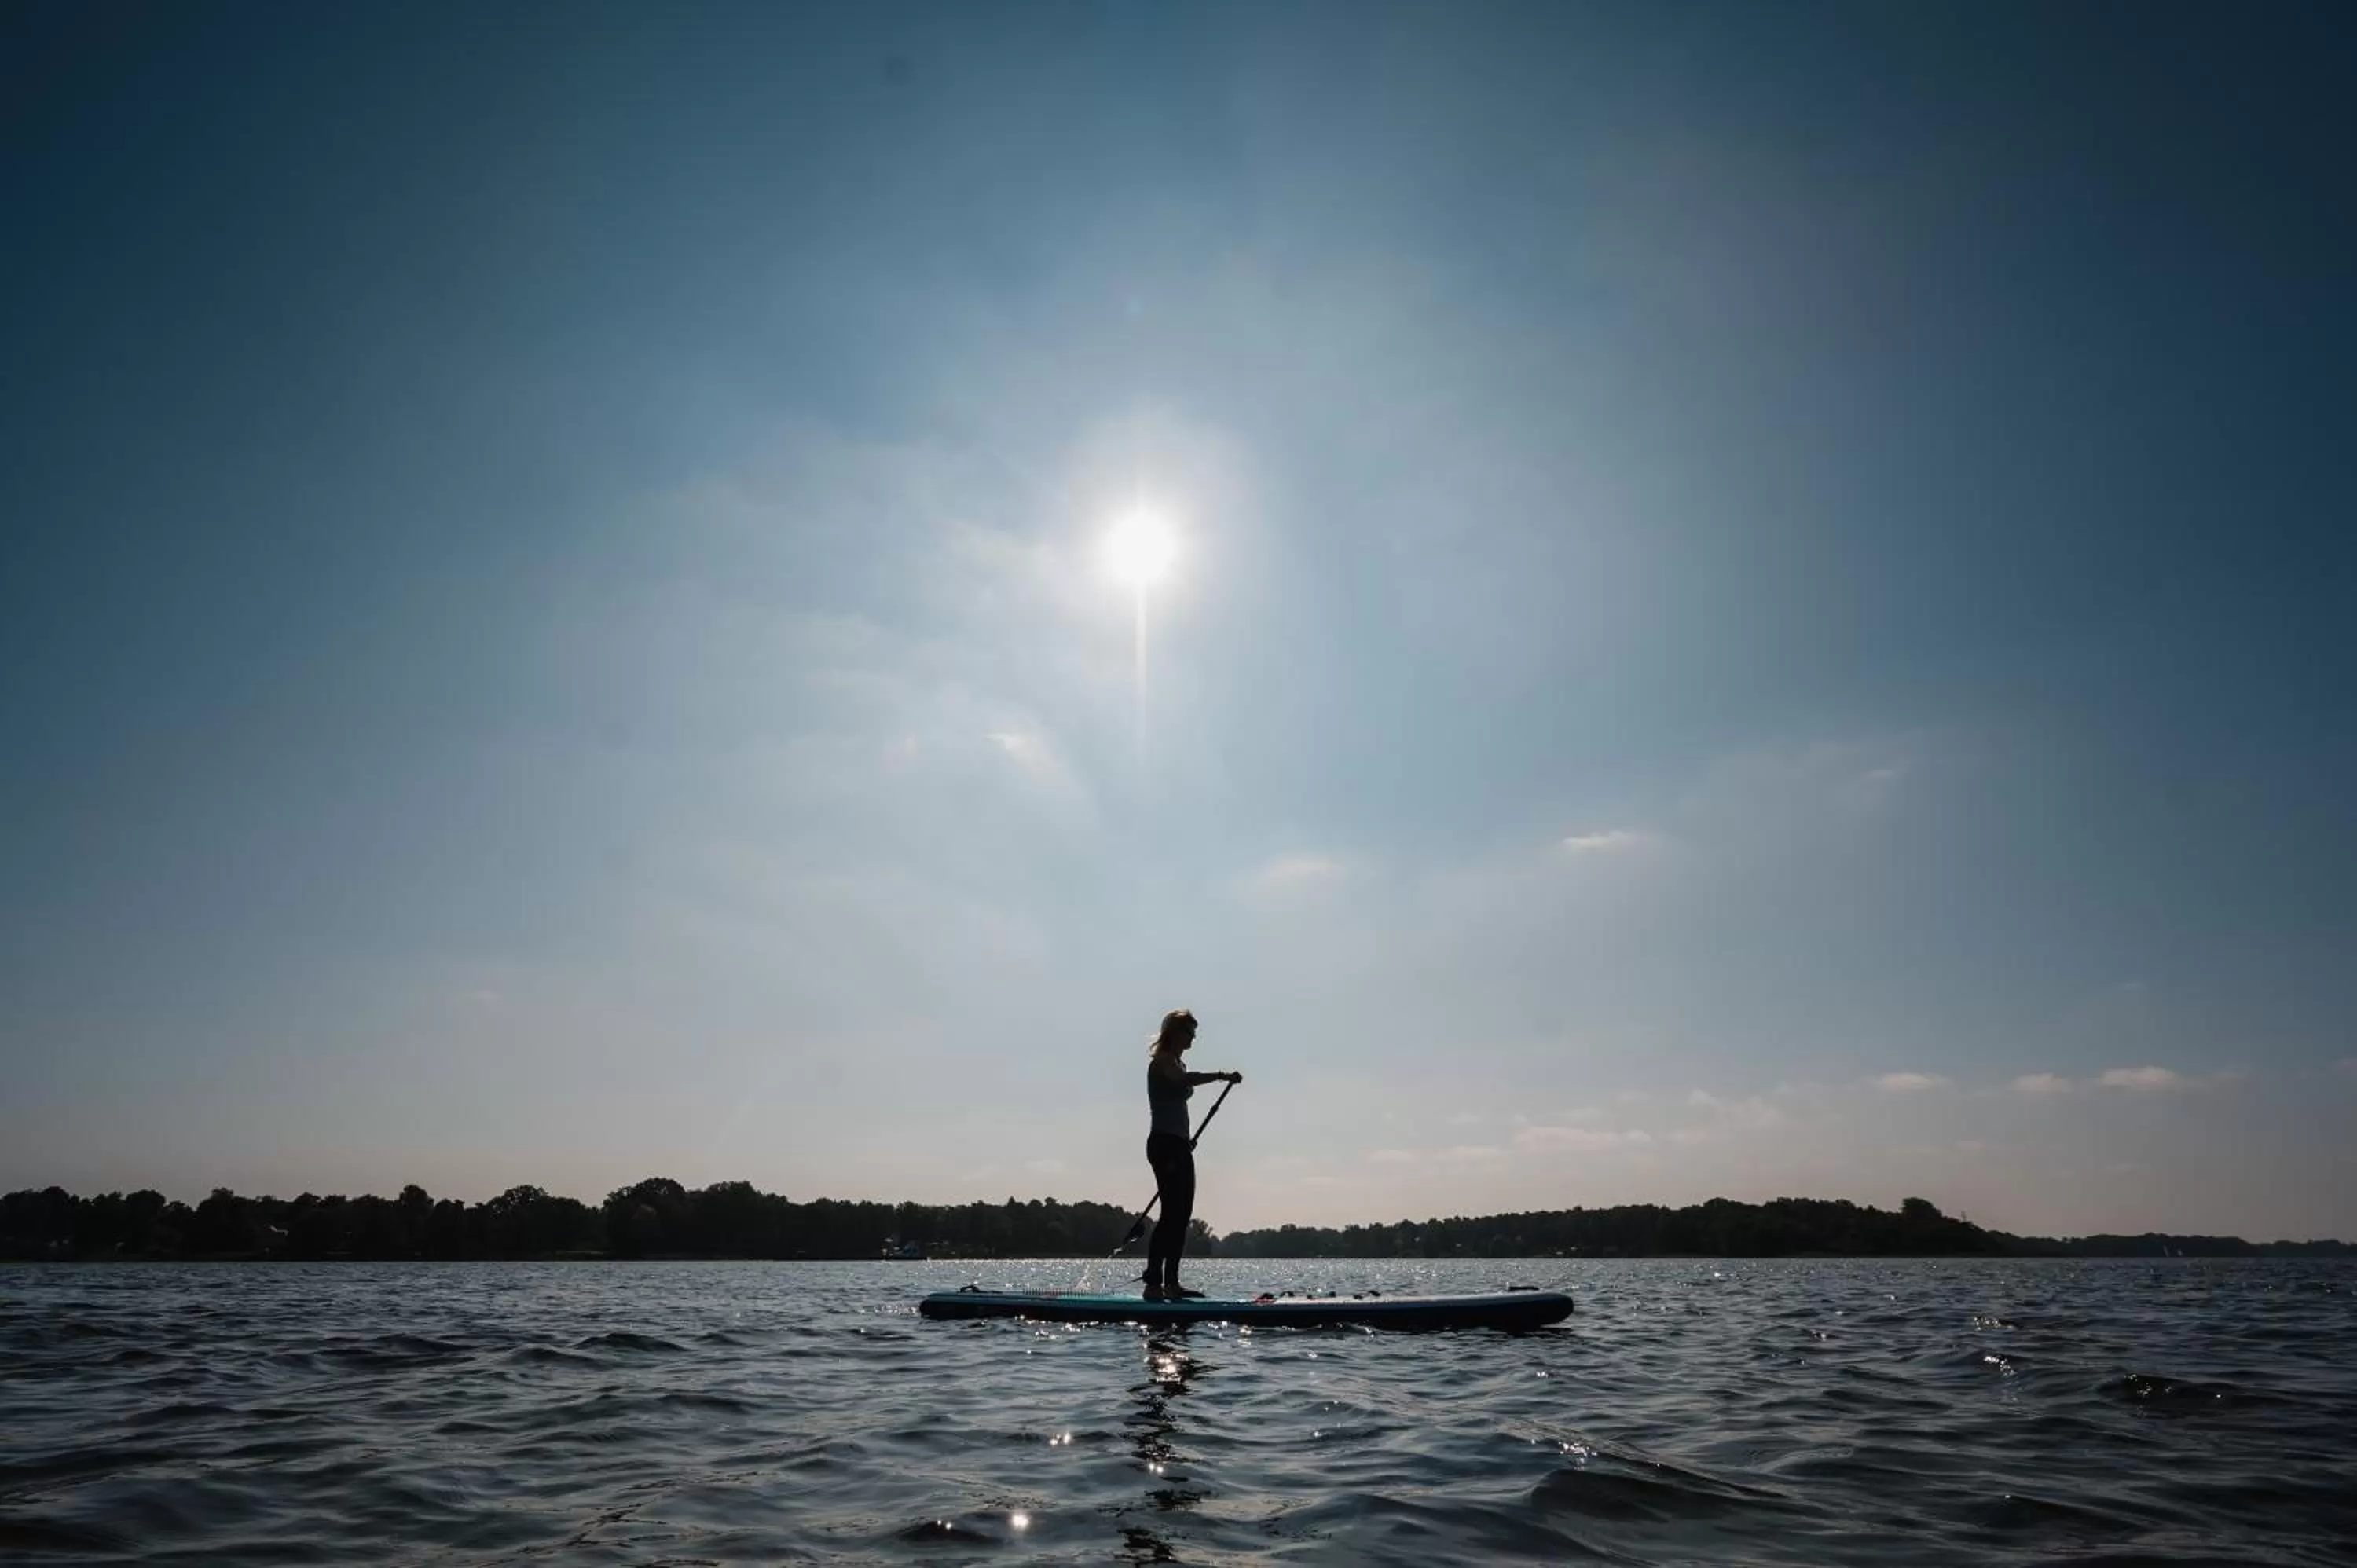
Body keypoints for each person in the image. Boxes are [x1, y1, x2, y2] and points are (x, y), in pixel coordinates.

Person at [1142, 1008, 1240, 1299]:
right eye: (1190, 1033)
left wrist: (1184, 1140)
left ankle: (1171, 1284)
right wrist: (1221, 1076)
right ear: (1175, 1032)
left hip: (1178, 1144)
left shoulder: (1177, 1062)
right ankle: (1153, 1284)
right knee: (1171, 1214)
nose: (1193, 1039)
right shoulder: (1162, 1061)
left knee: (1182, 1215)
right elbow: (1185, 1082)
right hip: (1164, 1145)